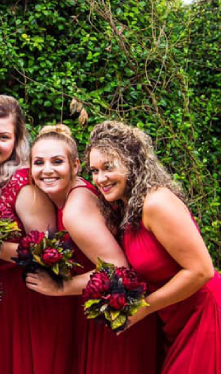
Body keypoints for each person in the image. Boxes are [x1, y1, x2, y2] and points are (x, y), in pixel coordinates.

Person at [87, 120, 221, 373]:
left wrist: (141, 310)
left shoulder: (156, 203)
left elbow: (201, 271)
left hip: (212, 317)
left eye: (108, 167)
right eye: (94, 170)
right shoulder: (125, 209)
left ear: (132, 163)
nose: (100, 178)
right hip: (176, 322)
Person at [25, 124, 158, 374]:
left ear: (75, 166)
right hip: (103, 313)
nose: (47, 170)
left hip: (115, 316)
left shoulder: (75, 210)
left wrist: (60, 288)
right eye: (38, 162)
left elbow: (117, 270)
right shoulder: (78, 190)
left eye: (57, 161)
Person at [0, 95, 72, 374]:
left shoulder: (23, 184)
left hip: (27, 302)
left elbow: (48, 254)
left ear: (16, 141)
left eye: (3, 136)